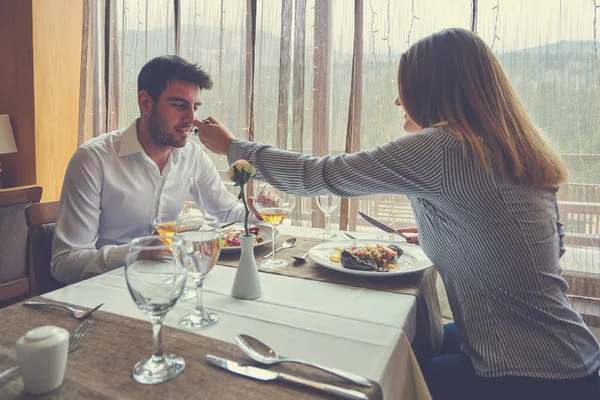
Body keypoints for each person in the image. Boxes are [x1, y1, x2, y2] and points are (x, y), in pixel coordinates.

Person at [196, 28, 600, 399]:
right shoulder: (512, 146)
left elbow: (322, 174)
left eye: (403, 88)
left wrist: (234, 147)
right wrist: (458, 232)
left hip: (525, 375)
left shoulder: (443, 146)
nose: (396, 100)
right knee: (399, 340)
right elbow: (550, 246)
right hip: (570, 357)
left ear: (431, 90)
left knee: (358, 373)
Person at [52, 55, 258, 284]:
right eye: (179, 105)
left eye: (195, 107)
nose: (191, 119)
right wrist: (138, 251)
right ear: (145, 103)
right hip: (107, 290)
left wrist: (257, 212)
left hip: (169, 284)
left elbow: (228, 213)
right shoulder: (93, 159)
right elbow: (65, 264)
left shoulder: (192, 156)